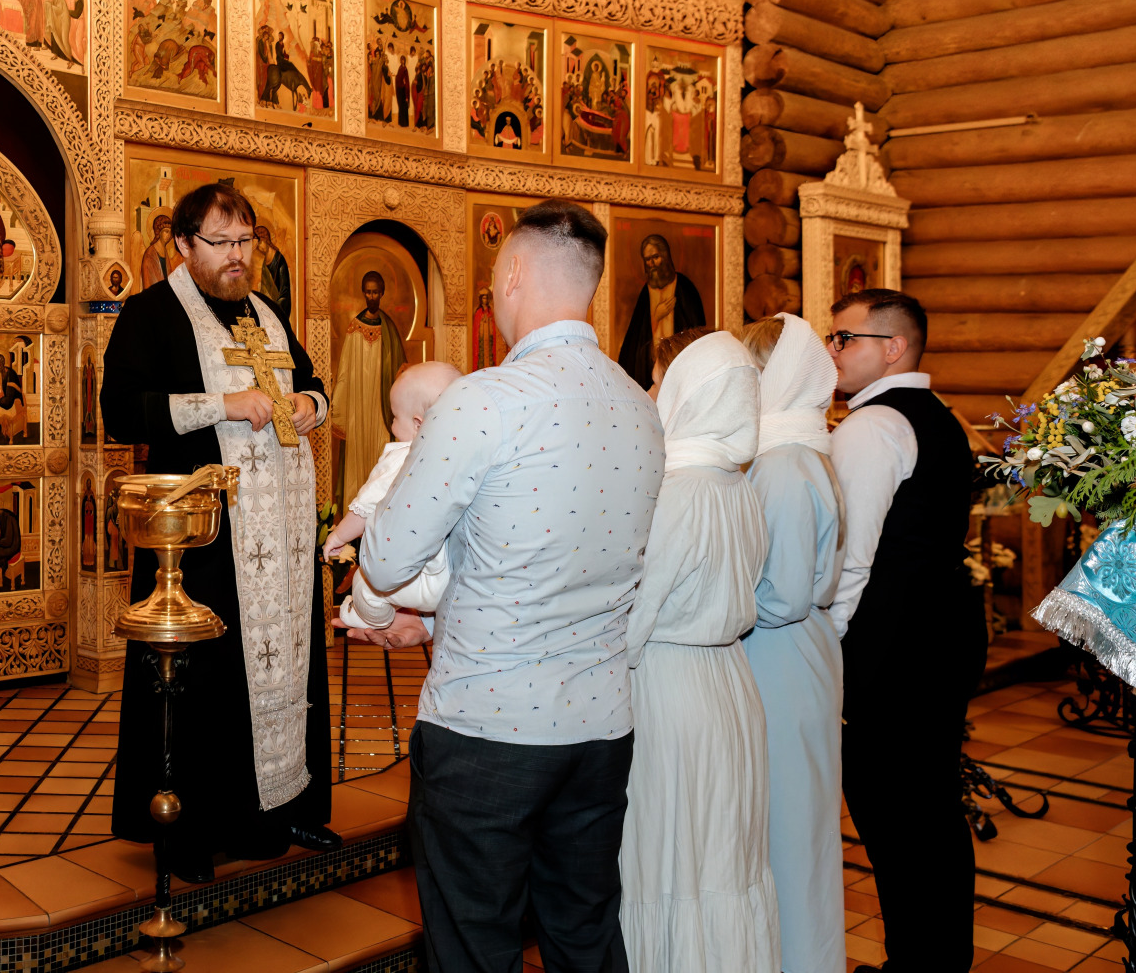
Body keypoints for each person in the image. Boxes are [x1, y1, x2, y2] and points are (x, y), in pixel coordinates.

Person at [357, 200, 663, 973]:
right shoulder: (639, 407)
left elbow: (389, 562)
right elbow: (556, 558)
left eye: (494, 280)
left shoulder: (484, 399)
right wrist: (433, 621)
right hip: (600, 724)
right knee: (583, 933)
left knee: (473, 945)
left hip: (487, 726)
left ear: (515, 273)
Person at [100, 182, 337, 884]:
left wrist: (308, 404)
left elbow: (316, 385)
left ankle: (280, 809)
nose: (238, 258)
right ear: (182, 244)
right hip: (201, 543)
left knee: (284, 670)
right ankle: (189, 830)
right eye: (221, 243)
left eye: (246, 242)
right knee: (202, 683)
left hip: (281, 539)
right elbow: (121, 412)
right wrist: (222, 406)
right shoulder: (150, 314)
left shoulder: (266, 312)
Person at [827, 289, 985, 973]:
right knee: (929, 816)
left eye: (843, 338)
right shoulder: (939, 416)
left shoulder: (870, 426)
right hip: (941, 630)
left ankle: (916, 964)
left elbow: (850, 557)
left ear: (891, 347)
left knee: (894, 816)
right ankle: (937, 959)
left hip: (890, 647)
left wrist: (823, 649)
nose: (830, 351)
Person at [618, 329, 778, 973]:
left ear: (688, 393)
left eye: (661, 381)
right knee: (721, 853)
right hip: (730, 681)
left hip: (669, 685)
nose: (653, 394)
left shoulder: (676, 490)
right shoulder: (739, 485)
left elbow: (635, 614)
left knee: (668, 855)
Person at [740, 313, 846, 973]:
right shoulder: (802, 448)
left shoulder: (779, 462)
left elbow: (776, 595)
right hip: (795, 651)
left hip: (775, 655)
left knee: (785, 835)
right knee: (793, 831)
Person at [323, 361, 462, 630]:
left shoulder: (405, 457)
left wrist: (338, 536)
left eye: (395, 417)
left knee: (366, 584)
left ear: (419, 425)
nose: (392, 425)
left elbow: (365, 507)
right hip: (462, 579)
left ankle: (371, 619)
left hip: (424, 579)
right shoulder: (464, 455)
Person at [331, 270, 404, 509]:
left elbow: (400, 370)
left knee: (380, 454)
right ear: (364, 293)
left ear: (382, 293)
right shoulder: (354, 328)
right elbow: (344, 373)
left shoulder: (390, 329)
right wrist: (340, 409)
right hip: (358, 407)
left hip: (381, 406)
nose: (371, 296)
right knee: (358, 455)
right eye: (368, 291)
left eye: (375, 292)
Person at [617, 233, 706, 390]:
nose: (652, 263)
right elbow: (636, 338)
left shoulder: (685, 288)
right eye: (647, 259)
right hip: (652, 372)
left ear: (665, 256)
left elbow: (696, 331)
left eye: (656, 257)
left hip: (681, 367)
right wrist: (655, 317)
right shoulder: (646, 292)